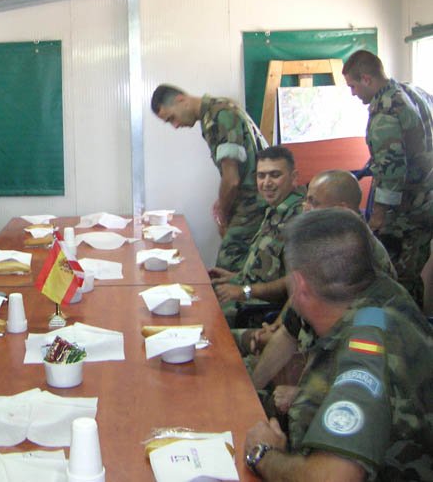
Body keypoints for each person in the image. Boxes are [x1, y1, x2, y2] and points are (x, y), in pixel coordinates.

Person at [244, 208, 432, 481]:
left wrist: (263, 454)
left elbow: (332, 478)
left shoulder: (366, 346)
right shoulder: (376, 292)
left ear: (299, 285)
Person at [248, 170, 397, 411]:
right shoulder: (321, 248)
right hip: (308, 368)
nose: (305, 208)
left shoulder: (365, 265)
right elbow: (290, 332)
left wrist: (307, 394)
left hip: (347, 398)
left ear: (341, 210)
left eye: (313, 203)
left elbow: (368, 366)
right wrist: (251, 390)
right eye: (306, 200)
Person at [343, 50, 433, 307]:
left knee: (396, 281)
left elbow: (392, 169)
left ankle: (406, 329)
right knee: (411, 273)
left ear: (367, 78)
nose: (353, 93)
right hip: (426, 200)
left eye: (353, 86)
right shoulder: (410, 92)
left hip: (404, 213)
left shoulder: (385, 111)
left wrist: (378, 216)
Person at [152, 85, 268, 272]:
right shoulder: (214, 113)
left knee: (228, 267)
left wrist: (223, 211)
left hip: (254, 203)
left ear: (181, 99)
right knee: (239, 268)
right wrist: (222, 201)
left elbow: (232, 180)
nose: (175, 125)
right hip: (250, 200)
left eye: (172, 118)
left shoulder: (220, 115)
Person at [209, 146, 304, 321]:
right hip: (249, 295)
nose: (266, 183)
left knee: (207, 317)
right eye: (261, 176)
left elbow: (296, 281)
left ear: (293, 177)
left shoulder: (299, 218)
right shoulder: (274, 209)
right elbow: (269, 271)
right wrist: (236, 277)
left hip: (260, 309)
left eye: (275, 175)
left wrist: (244, 290)